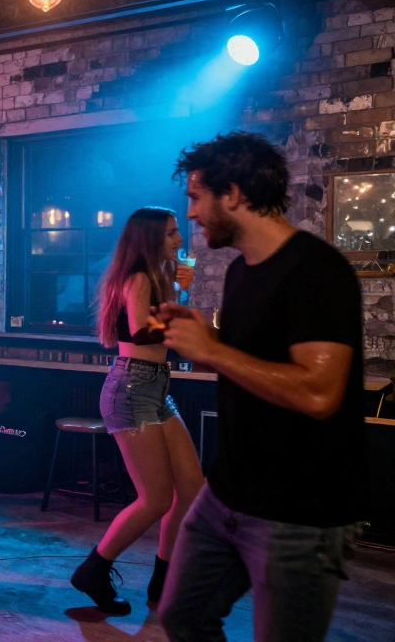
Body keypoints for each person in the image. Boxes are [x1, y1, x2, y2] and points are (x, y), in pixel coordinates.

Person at [156, 132, 367, 641]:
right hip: (227, 493)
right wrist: (208, 339)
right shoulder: (241, 272)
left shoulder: (317, 270)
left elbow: (319, 393)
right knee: (181, 616)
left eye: (195, 197)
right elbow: (258, 359)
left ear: (231, 194)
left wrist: (213, 350)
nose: (190, 214)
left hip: (299, 514)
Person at [67, 207, 203, 615]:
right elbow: (142, 329)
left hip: (156, 389)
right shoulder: (140, 277)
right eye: (171, 233)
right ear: (149, 239)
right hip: (132, 388)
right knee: (156, 499)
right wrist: (183, 309)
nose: (180, 239)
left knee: (192, 490)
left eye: (179, 232)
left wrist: (180, 292)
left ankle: (163, 582)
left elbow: (157, 329)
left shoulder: (159, 277)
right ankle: (94, 569)